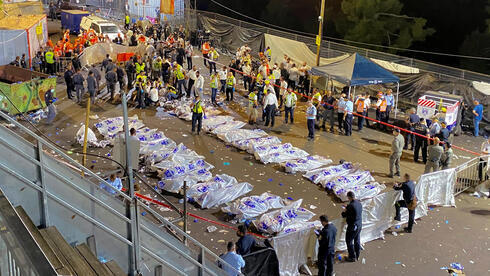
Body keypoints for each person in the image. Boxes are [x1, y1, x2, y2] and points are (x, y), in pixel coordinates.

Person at [341, 191, 362, 262]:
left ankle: (352, 257)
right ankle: (357, 254)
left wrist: (345, 210)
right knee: (357, 240)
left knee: (349, 241)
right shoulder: (359, 203)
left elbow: (344, 215)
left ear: (349, 197)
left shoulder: (351, 206)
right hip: (359, 224)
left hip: (353, 226)